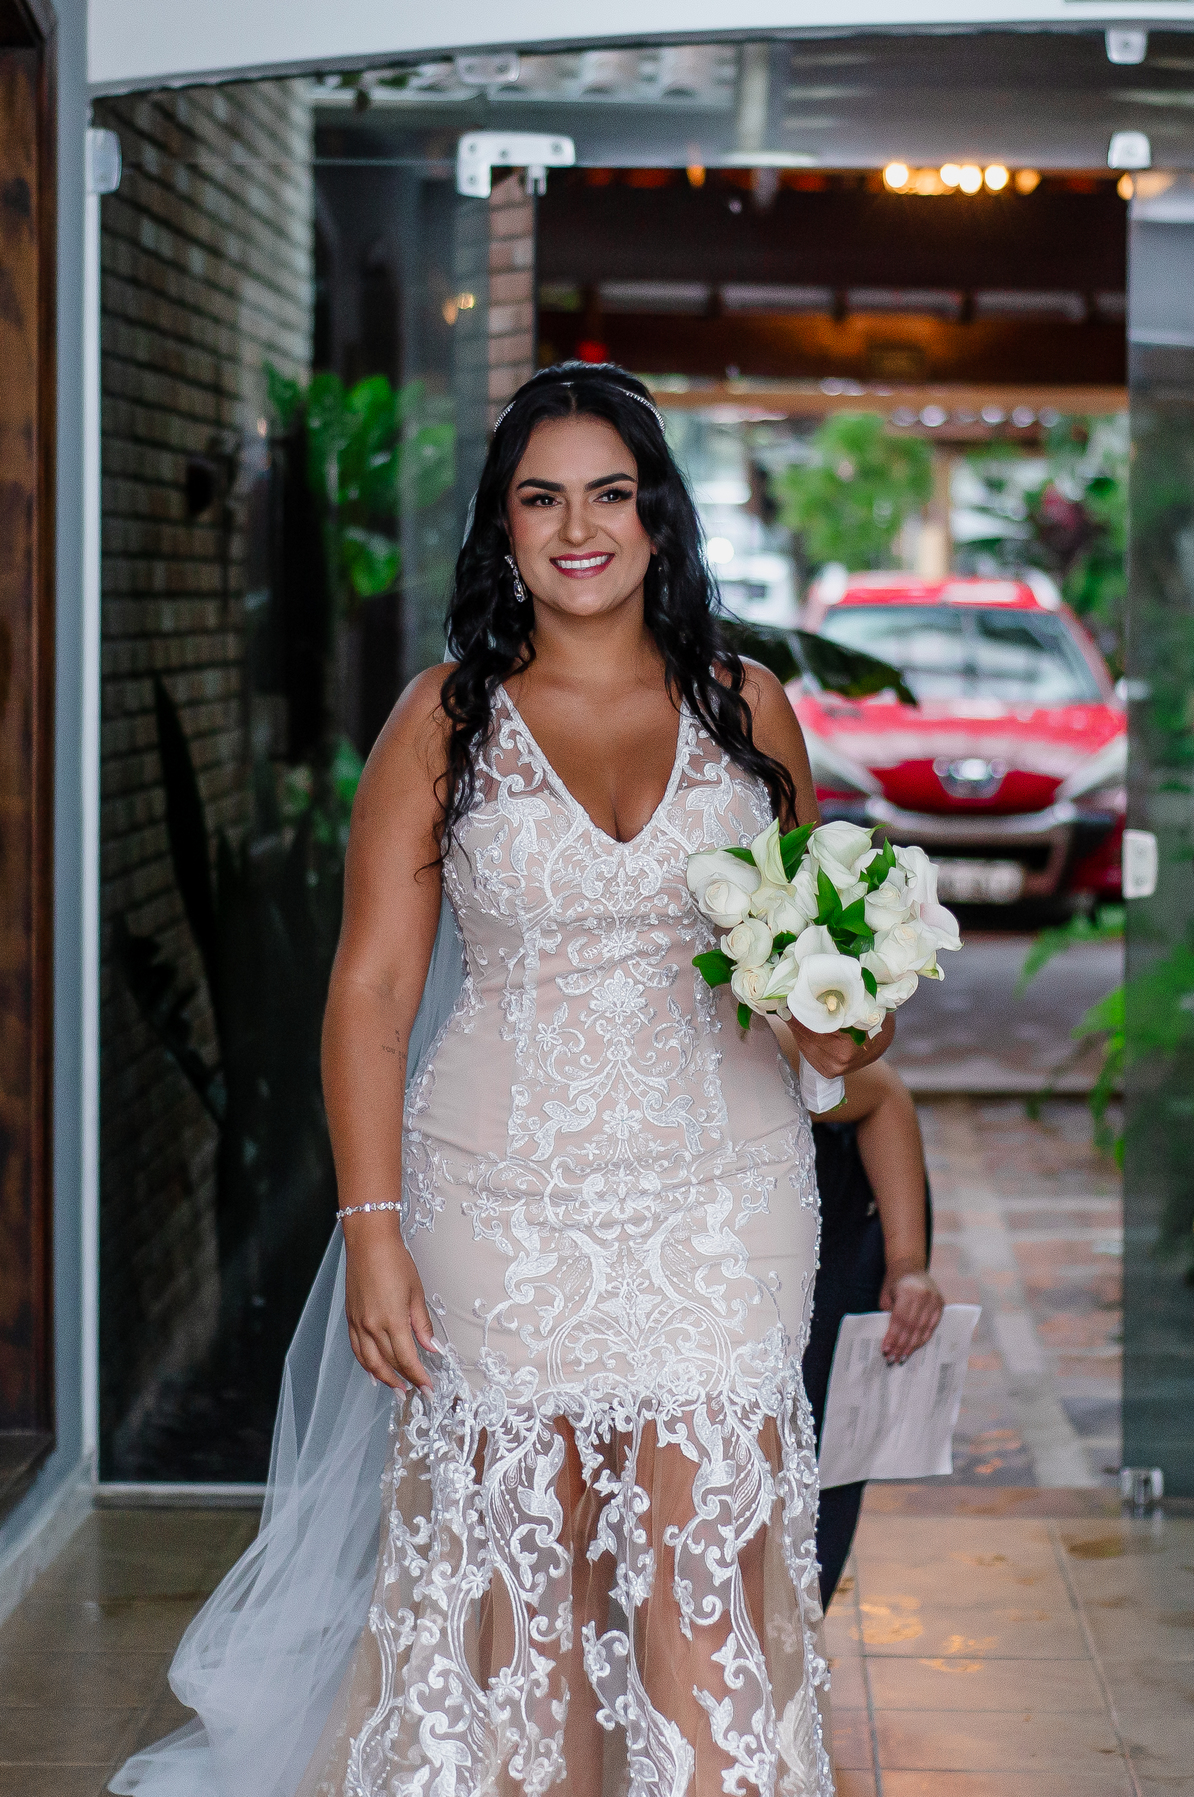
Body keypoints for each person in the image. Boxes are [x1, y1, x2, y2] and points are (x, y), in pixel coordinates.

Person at [112, 361, 895, 1797]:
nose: (578, 528)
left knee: (703, 1587)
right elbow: (371, 991)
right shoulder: (444, 721)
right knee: (519, 1610)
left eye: (610, 494)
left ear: (658, 518)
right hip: (498, 1202)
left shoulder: (751, 711)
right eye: (543, 499)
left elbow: (809, 963)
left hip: (726, 1201)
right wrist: (372, 1229)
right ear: (504, 526)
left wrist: (849, 1032)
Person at [805, 1065, 943, 1610]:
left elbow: (880, 1092)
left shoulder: (730, 1043)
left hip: (815, 1247)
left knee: (815, 1473)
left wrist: (907, 1263)